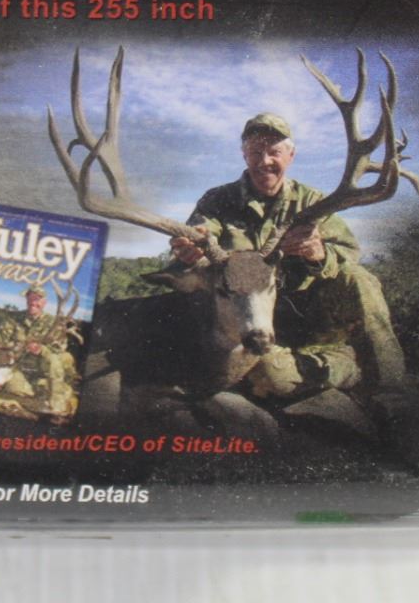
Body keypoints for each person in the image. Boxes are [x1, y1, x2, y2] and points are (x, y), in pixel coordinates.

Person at [168, 113, 406, 404]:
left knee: (358, 278)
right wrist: (189, 251)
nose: (264, 161)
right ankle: (345, 365)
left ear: (291, 156)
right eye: (256, 152)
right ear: (244, 155)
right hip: (248, 316)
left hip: (307, 312)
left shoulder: (312, 202)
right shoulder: (216, 201)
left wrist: (320, 254)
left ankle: (390, 390)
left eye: (274, 152)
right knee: (268, 375)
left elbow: (349, 253)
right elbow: (198, 241)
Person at [0, 286, 77, 417]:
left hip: (45, 366)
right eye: (30, 298)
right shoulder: (14, 318)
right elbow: (2, 337)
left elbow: (60, 347)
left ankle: (57, 405)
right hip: (21, 366)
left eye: (38, 299)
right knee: (12, 387)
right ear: (26, 300)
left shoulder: (54, 322)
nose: (33, 302)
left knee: (55, 358)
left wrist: (42, 349)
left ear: (44, 302)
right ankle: (47, 390)